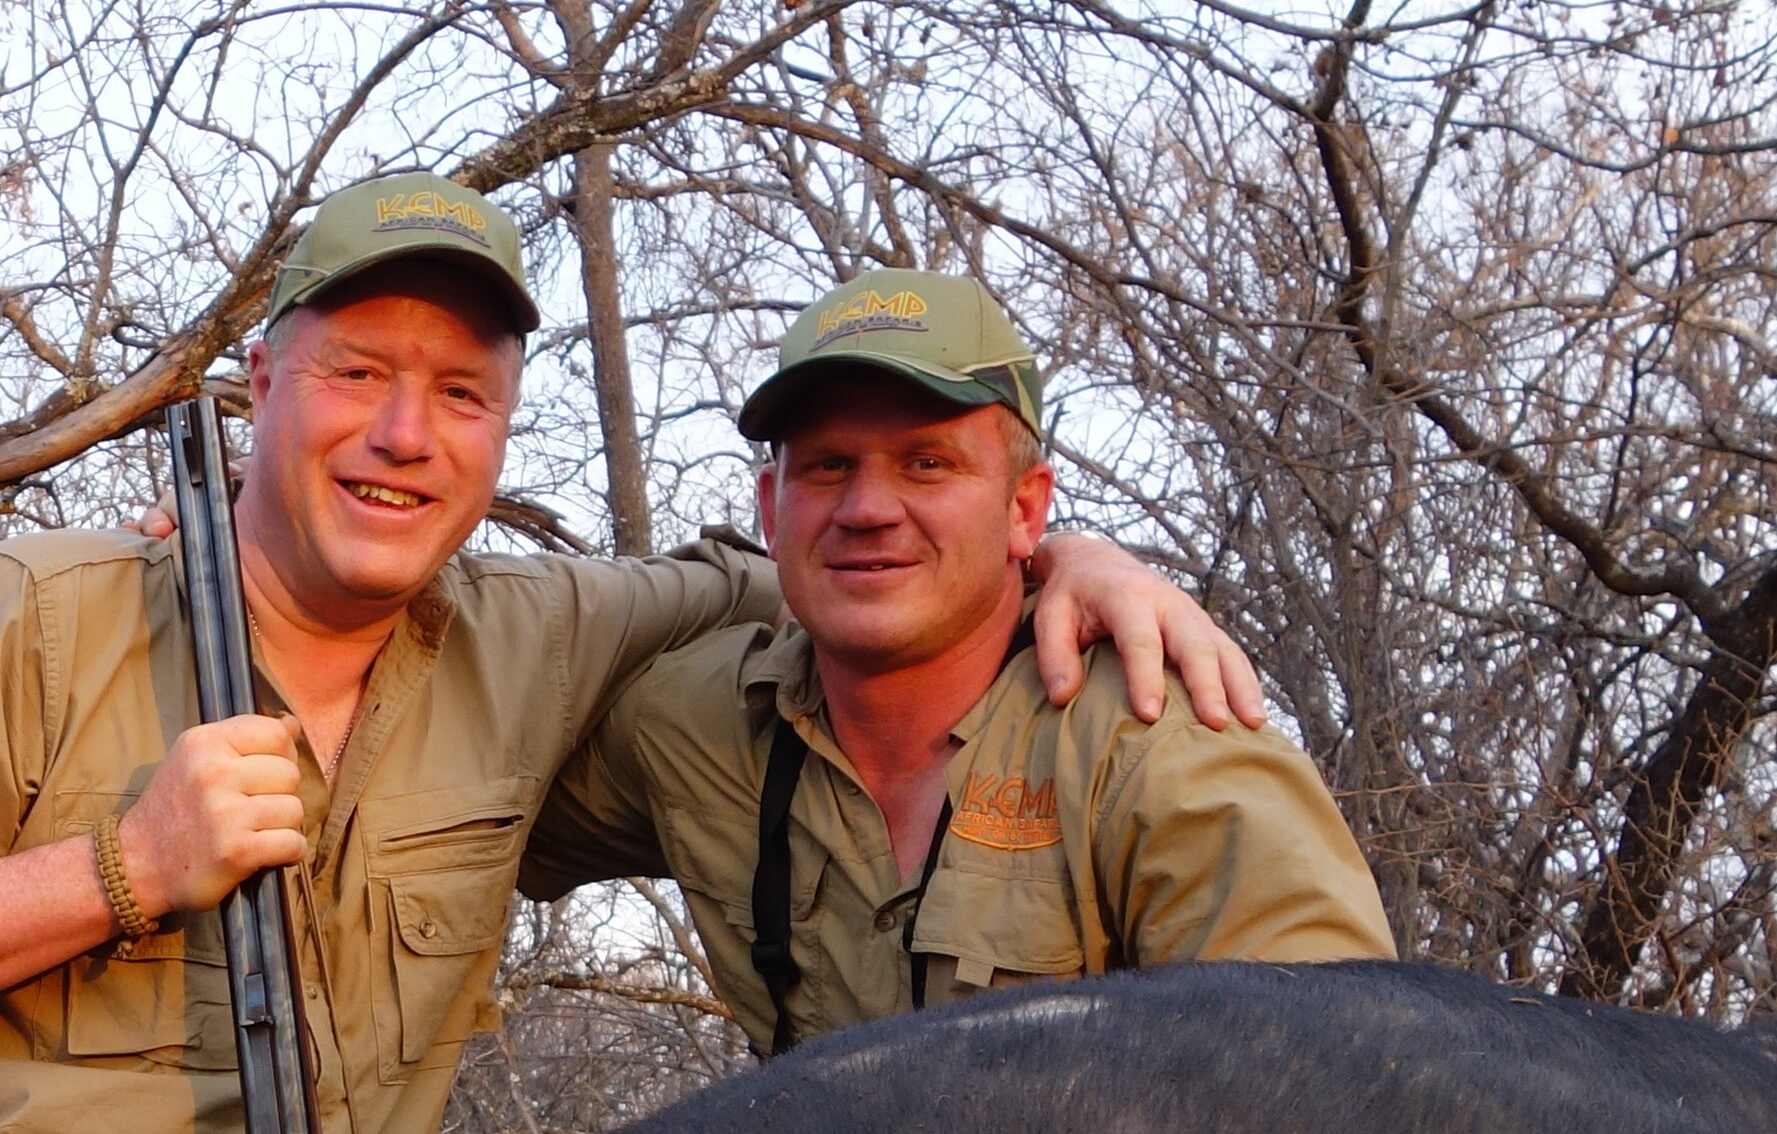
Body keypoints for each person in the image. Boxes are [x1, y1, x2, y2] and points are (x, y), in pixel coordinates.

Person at [0, 179, 1264, 1134]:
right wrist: (128, 865)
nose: (407, 434)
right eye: (359, 376)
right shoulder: (34, 610)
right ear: (264, 384)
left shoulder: (535, 640)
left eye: (461, 393)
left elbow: (804, 576)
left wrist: (1071, 559)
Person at [522, 270, 1390, 1050]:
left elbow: (1340, 1086)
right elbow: (468, 814)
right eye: (826, 467)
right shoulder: (696, 727)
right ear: (771, 510)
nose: (867, 508)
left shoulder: (1159, 747)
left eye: (927, 463)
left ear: (1024, 508)